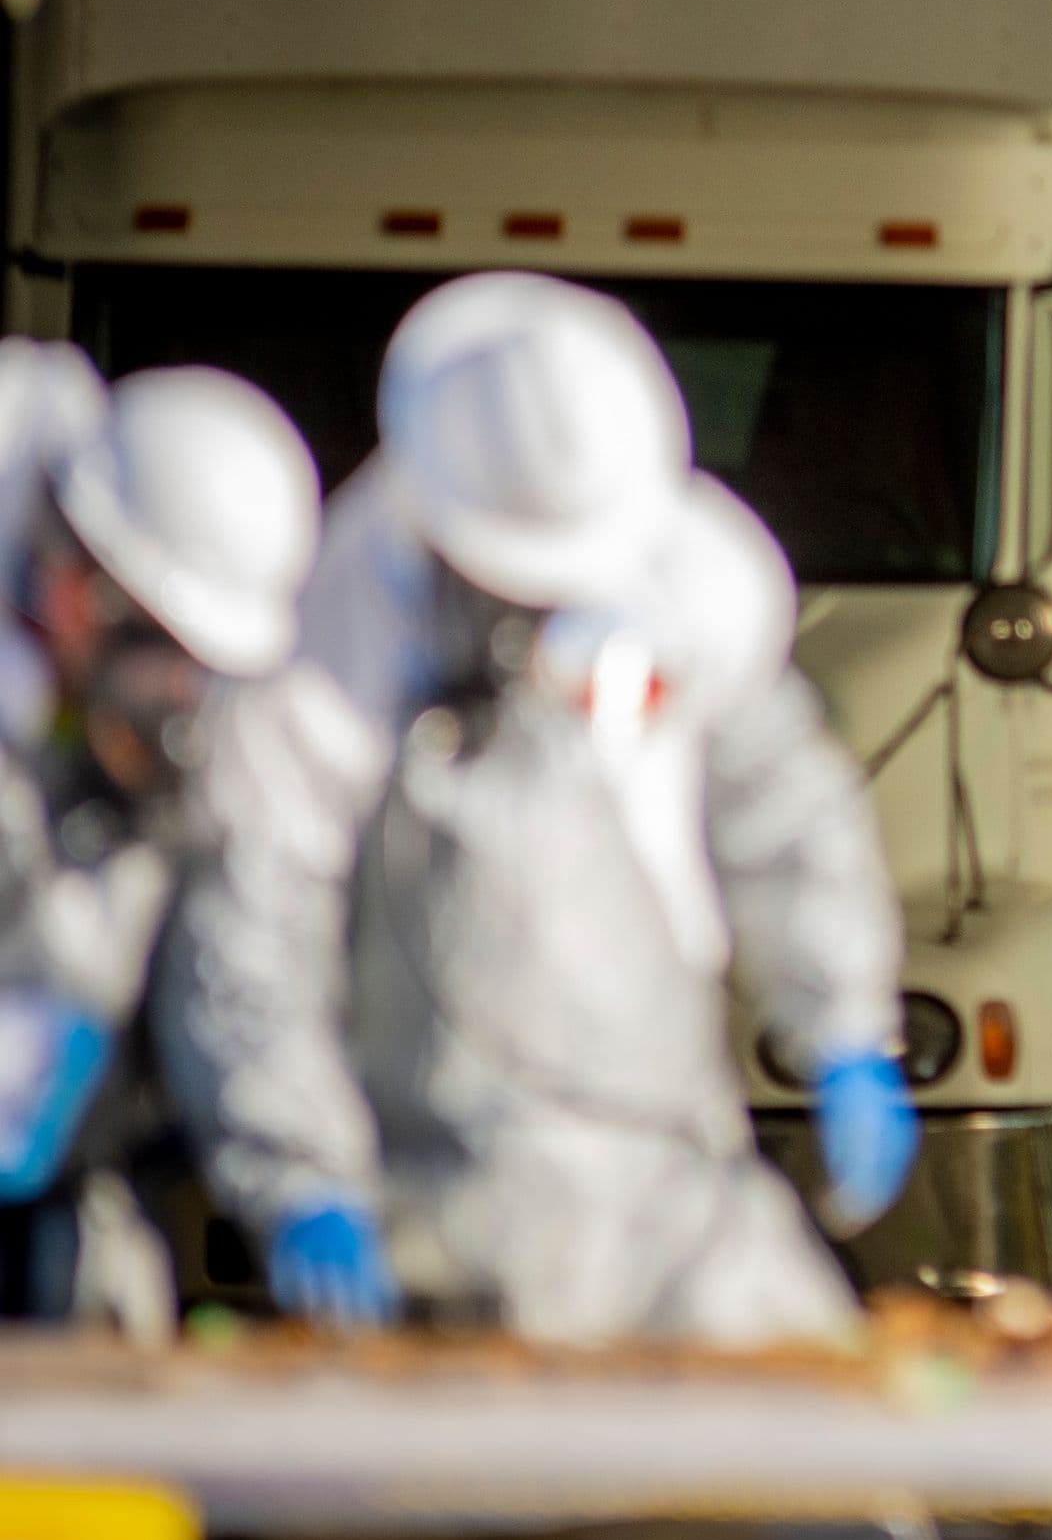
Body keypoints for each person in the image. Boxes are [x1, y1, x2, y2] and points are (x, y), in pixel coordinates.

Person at [159, 270, 917, 1343]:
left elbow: (784, 803)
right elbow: (253, 926)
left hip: (675, 1187)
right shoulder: (333, 648)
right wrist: (301, 1174)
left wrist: (843, 1020)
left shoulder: (685, 581)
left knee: (812, 1425)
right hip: (436, 1214)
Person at [0, 349, 321, 1327]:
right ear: (78, 589)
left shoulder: (172, 743)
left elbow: (239, 963)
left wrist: (302, 1178)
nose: (178, 700)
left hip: (62, 1194)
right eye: (163, 651)